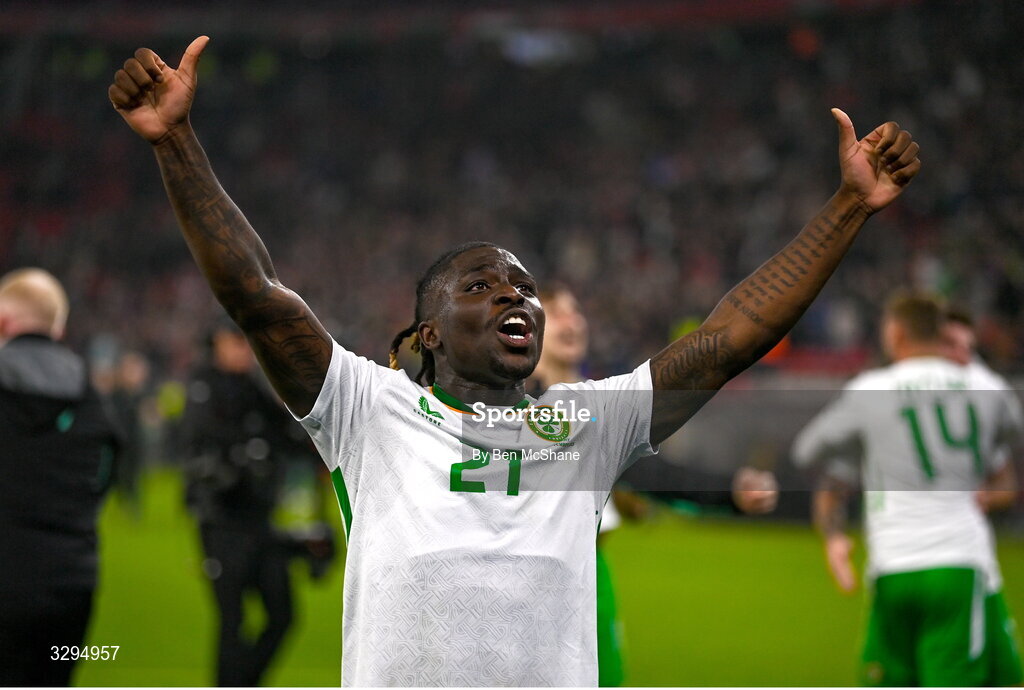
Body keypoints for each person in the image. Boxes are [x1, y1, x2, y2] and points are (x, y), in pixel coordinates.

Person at [109, 36, 920, 686]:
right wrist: (176, 142)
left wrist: (847, 208)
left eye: (524, 287)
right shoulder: (368, 411)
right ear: (427, 332)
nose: (515, 298)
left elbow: (728, 341)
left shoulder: (586, 426)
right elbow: (257, 294)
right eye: (481, 285)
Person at [528, 285, 778, 686]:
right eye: (557, 313)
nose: (572, 321)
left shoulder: (599, 407)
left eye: (576, 312)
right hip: (519, 579)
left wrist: (729, 492)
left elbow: (653, 474)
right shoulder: (510, 405)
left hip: (588, 577)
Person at [792, 292, 1023, 686]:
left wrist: (834, 536)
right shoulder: (983, 386)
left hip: (895, 564)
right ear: (942, 336)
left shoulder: (872, 394)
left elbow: (808, 453)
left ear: (895, 334)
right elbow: (1012, 433)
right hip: (958, 563)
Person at [0, 268, 121, 686]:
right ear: (59, 327)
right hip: (72, 584)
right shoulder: (91, 392)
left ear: (2, 322)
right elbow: (105, 474)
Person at [181, 319, 317, 687]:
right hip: (222, 520)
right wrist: (244, 461)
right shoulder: (203, 387)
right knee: (232, 618)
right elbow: (199, 451)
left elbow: (290, 437)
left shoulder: (254, 388)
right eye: (236, 341)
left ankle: (242, 682)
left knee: (283, 614)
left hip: (261, 521)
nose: (244, 350)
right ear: (217, 343)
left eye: (247, 342)